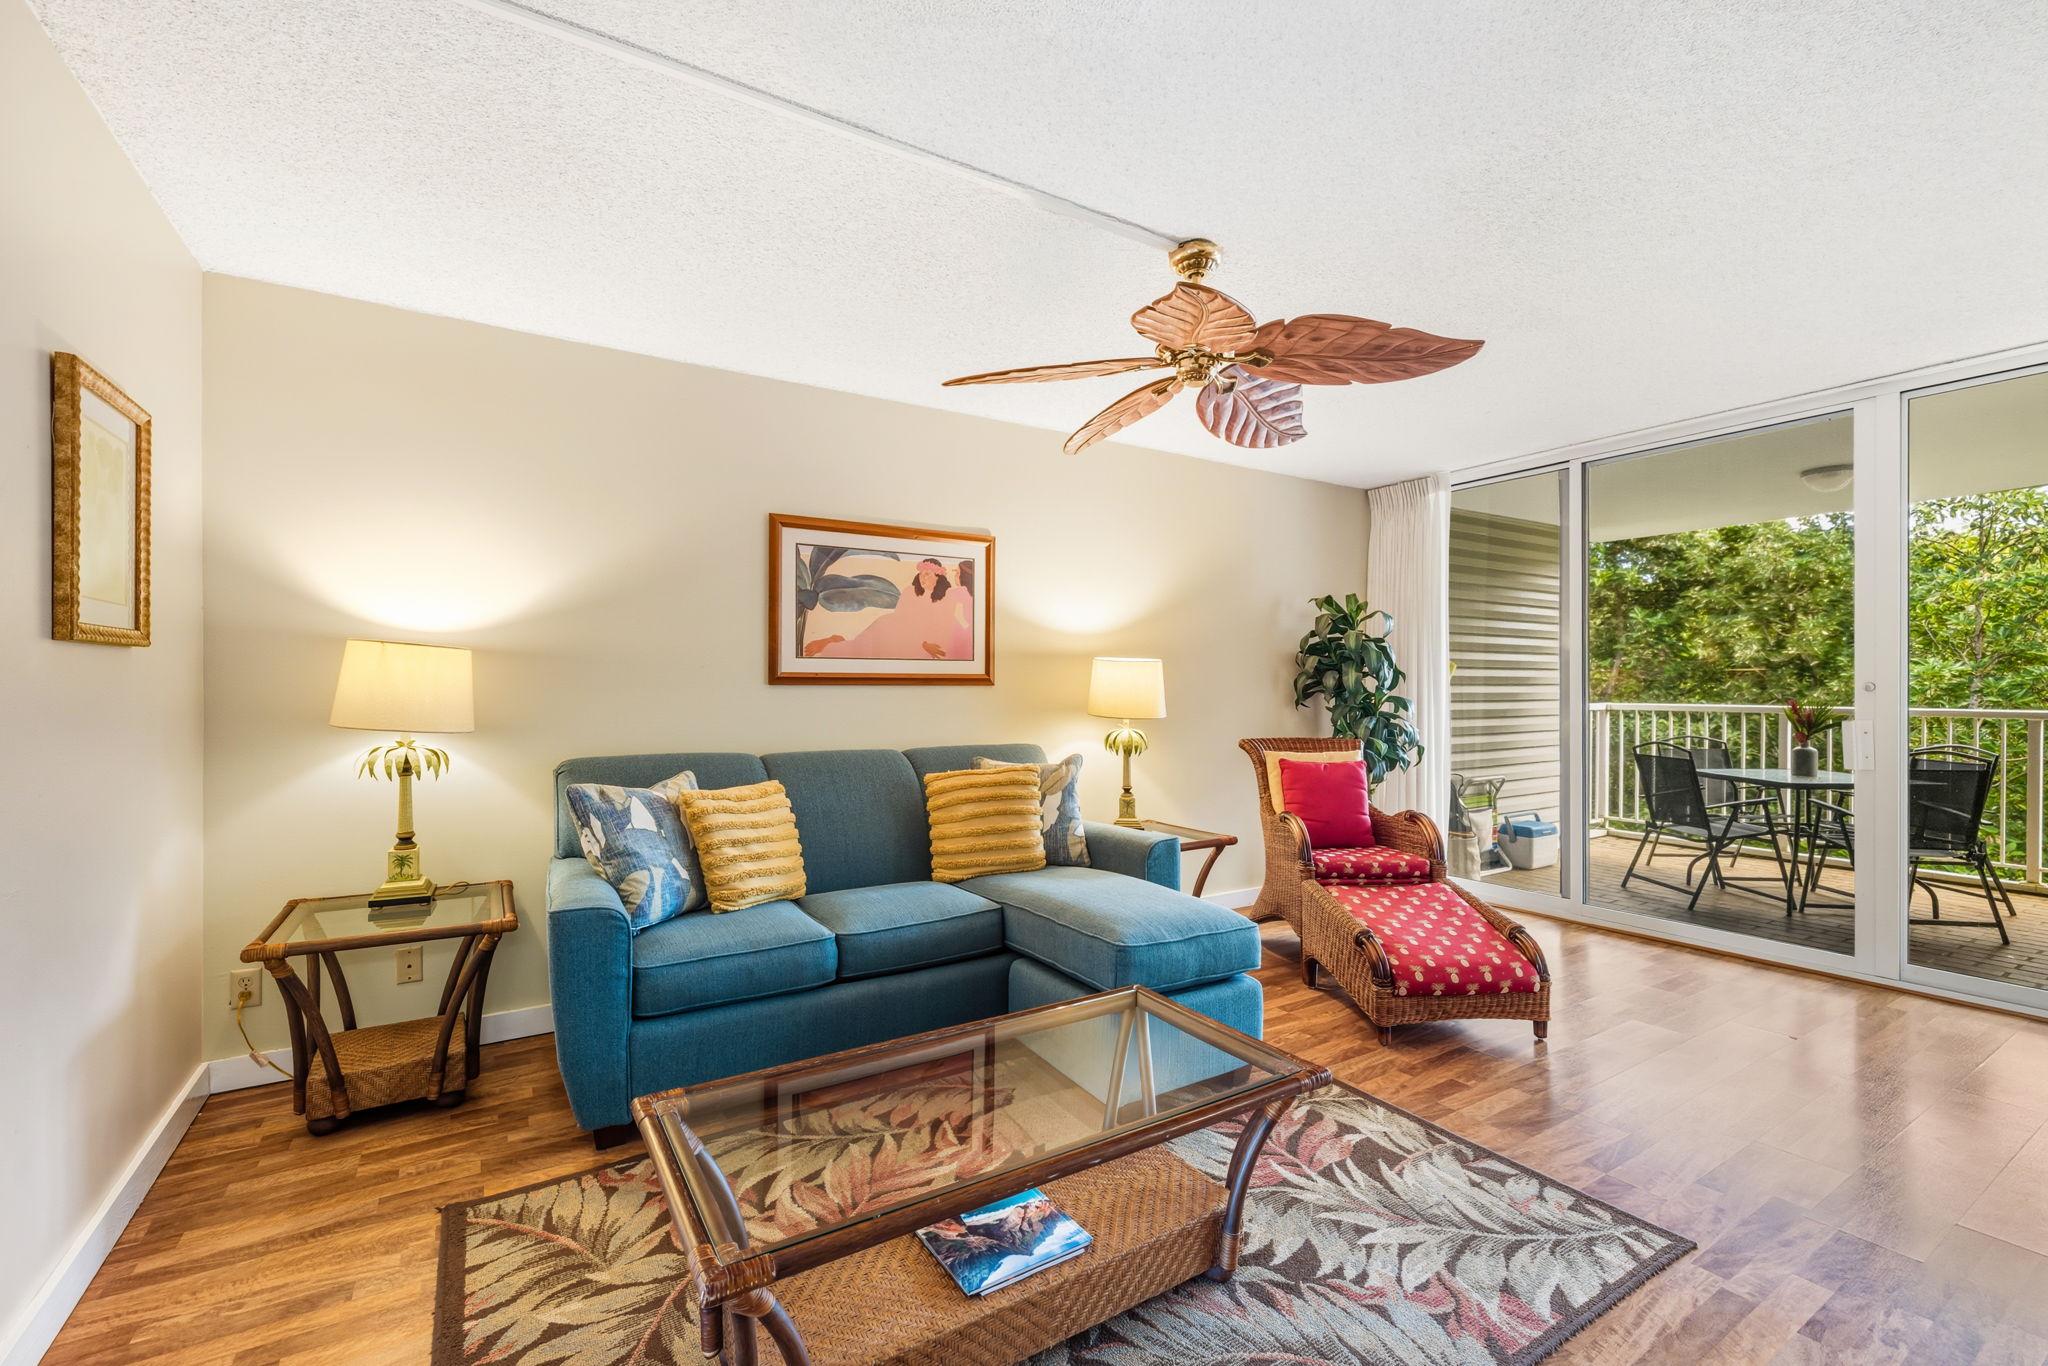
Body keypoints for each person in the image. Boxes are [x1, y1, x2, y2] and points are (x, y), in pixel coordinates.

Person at [805, 558, 973, 660]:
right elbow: (903, 622)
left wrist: (927, 643)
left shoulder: (947, 597)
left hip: (918, 642)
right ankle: (833, 641)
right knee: (856, 652)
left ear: (939, 576)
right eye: (921, 573)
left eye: (928, 574)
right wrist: (922, 643)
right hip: (891, 631)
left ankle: (837, 640)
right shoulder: (910, 592)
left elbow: (944, 624)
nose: (923, 577)